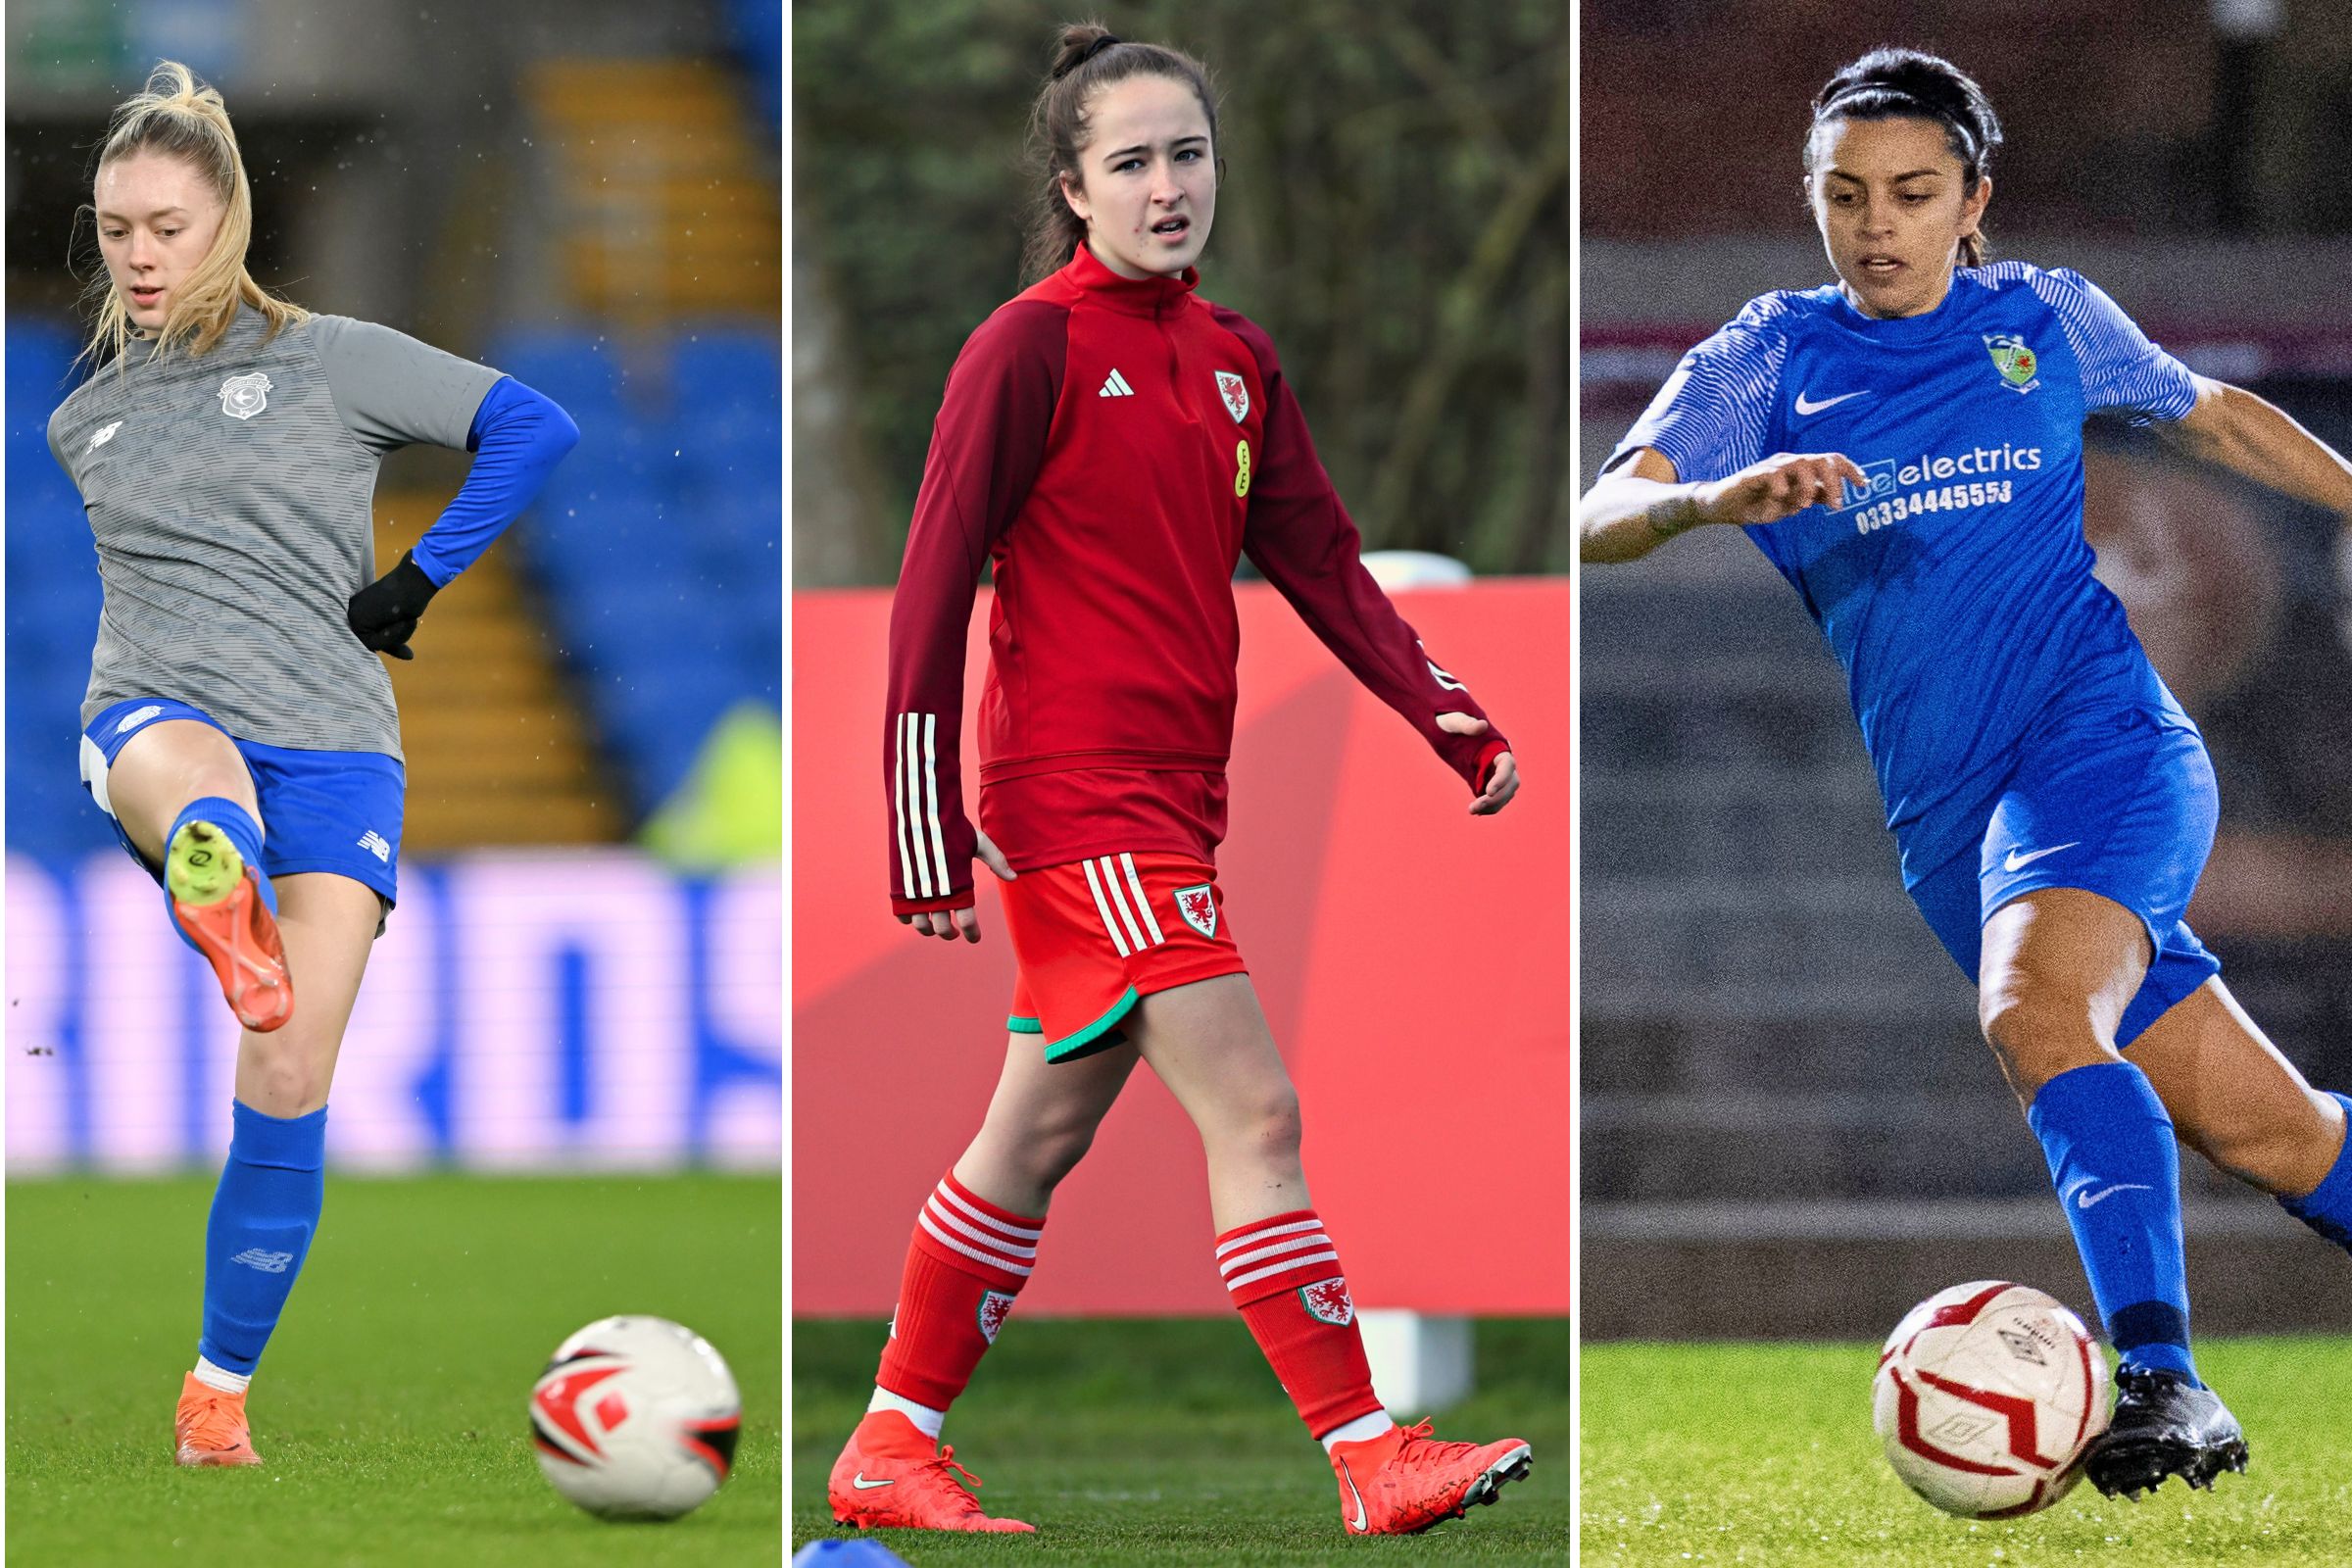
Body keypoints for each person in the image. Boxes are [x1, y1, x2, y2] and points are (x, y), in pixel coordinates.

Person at [1579, 47, 2352, 1499]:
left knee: (2034, 1007)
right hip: (1952, 829)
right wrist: (1708, 497)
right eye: (1845, 194)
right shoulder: (1769, 356)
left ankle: (2165, 1383)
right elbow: (1599, 512)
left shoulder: (2047, 317)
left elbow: (2215, 417)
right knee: (2274, 1129)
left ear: (1973, 200)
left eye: (1913, 193)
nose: (1877, 224)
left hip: (2105, 745)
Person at [827, 23, 1533, 1539]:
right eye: (1132, 162)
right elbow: (932, 588)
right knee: (1258, 1112)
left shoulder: (1233, 360)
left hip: (1165, 803)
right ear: (1074, 189)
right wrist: (920, 828)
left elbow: (1324, 564)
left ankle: (892, 1436)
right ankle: (1366, 1452)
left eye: (1187, 155)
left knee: (1038, 1129)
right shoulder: (1027, 346)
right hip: (1070, 796)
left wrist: (1447, 714)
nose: (1167, 186)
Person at [45, 62, 577, 1467]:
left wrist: (420, 577)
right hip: (152, 718)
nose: (138, 255)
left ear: (226, 217)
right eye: (114, 229)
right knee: (197, 775)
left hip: (338, 744)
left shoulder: (332, 358)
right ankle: (210, 879)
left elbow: (535, 425)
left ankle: (216, 1395)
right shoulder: (79, 419)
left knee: (287, 1068)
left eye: (164, 225)